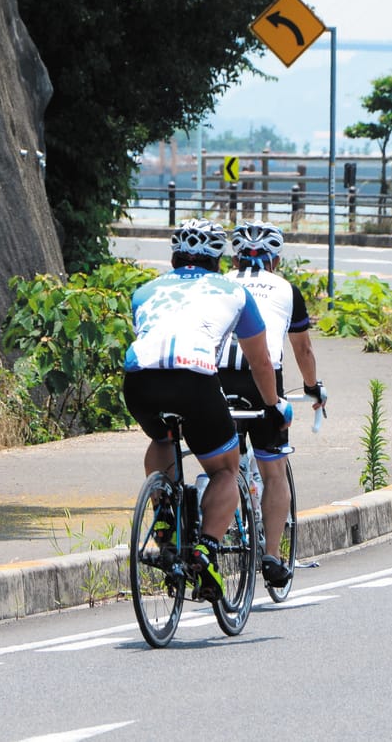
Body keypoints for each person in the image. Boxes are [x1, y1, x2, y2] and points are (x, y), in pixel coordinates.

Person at [123, 218, 286, 601]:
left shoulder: (143, 291)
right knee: (226, 469)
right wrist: (273, 405)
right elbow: (261, 363)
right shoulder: (234, 292)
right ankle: (205, 550)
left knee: (162, 435)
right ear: (219, 259)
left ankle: (164, 512)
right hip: (194, 379)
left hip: (139, 381)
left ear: (175, 256)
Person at [218, 221, 324, 589]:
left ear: (233, 258)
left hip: (212, 376)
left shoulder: (216, 284)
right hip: (260, 380)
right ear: (275, 260)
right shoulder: (286, 289)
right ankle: (272, 556)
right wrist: (313, 388)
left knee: (218, 461)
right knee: (274, 471)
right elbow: (303, 349)